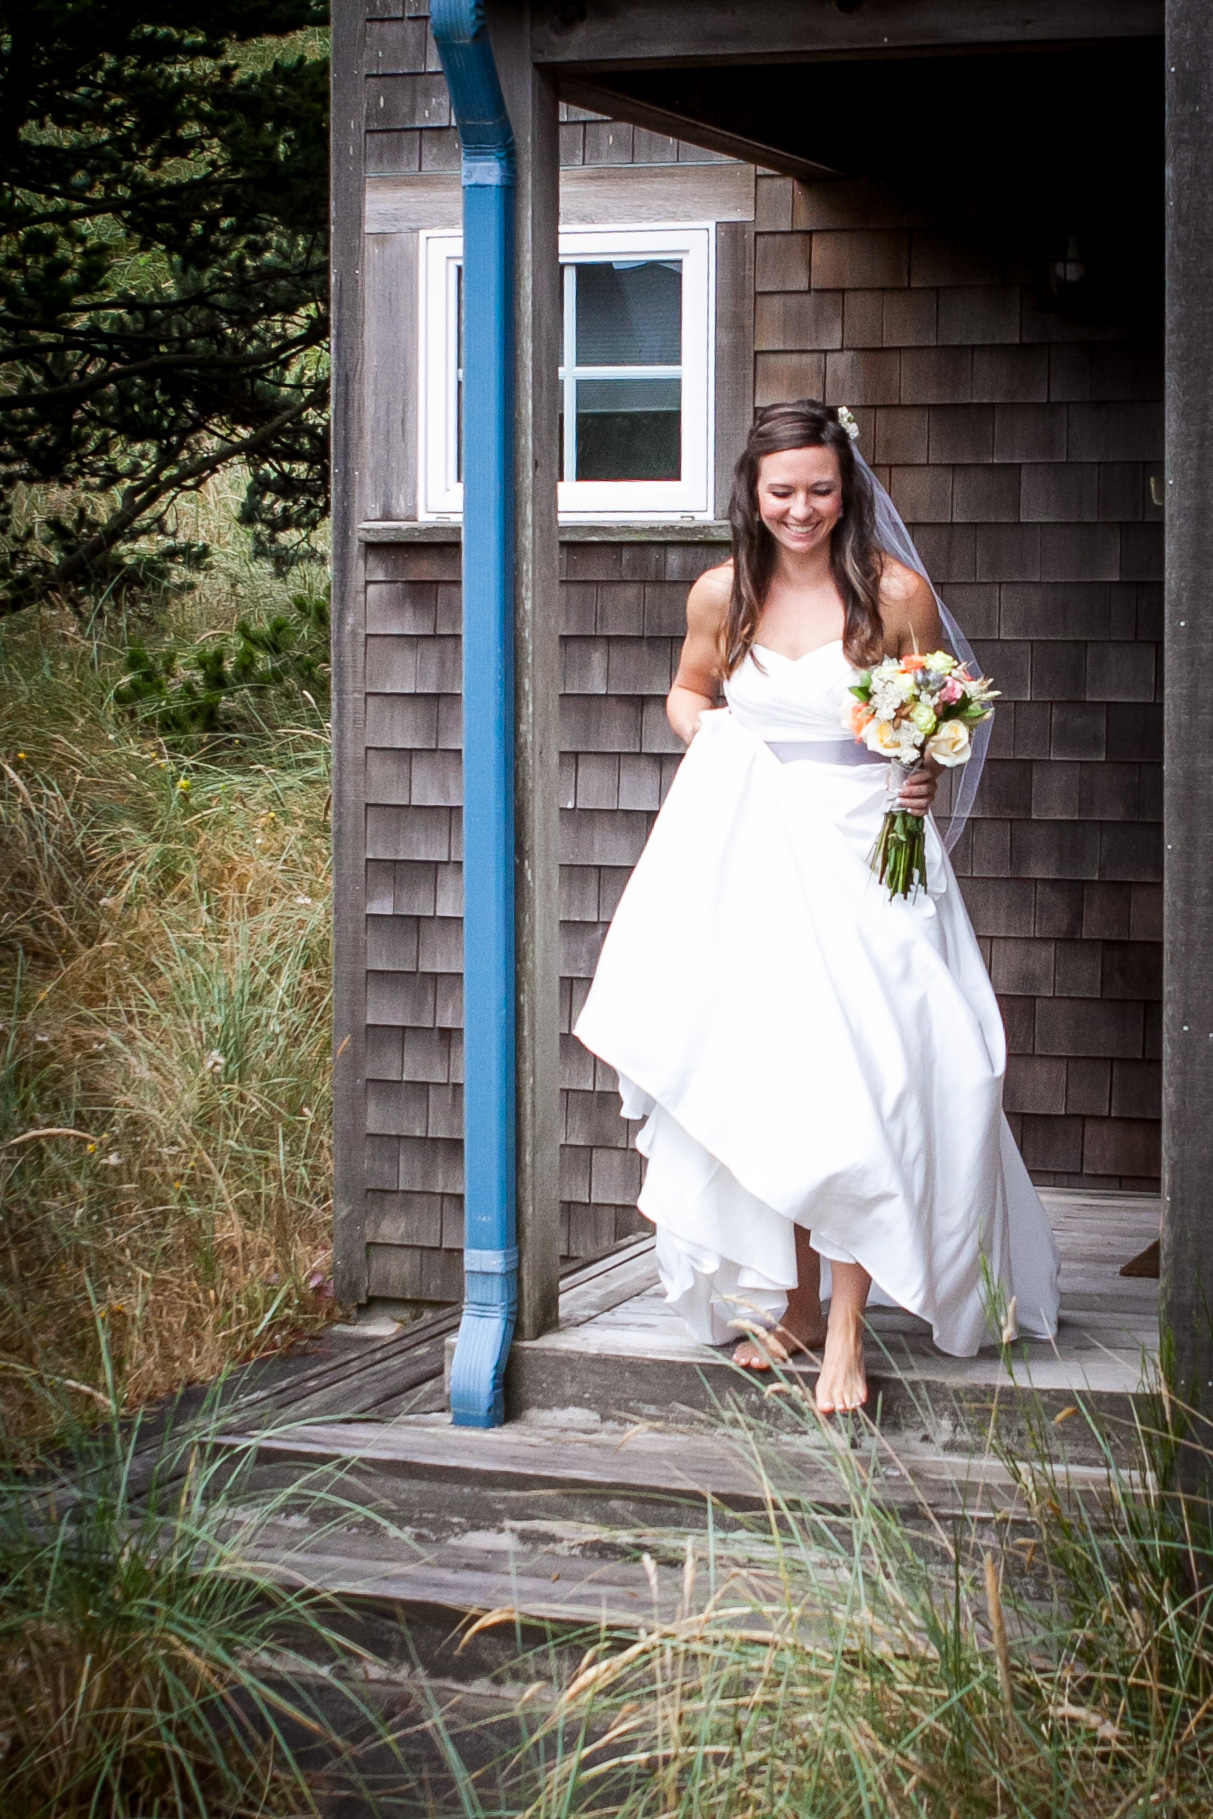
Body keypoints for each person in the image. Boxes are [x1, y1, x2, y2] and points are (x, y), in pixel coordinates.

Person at [574, 399, 1060, 1415]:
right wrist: (712, 733)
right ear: (752, 494)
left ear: (849, 489)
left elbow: (936, 712)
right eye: (781, 490)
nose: (801, 508)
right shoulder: (725, 594)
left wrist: (920, 767)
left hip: (868, 851)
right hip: (753, 854)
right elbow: (687, 691)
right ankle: (796, 1303)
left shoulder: (895, 594)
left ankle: (848, 1326)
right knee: (777, 1070)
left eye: (820, 489)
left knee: (874, 1071)